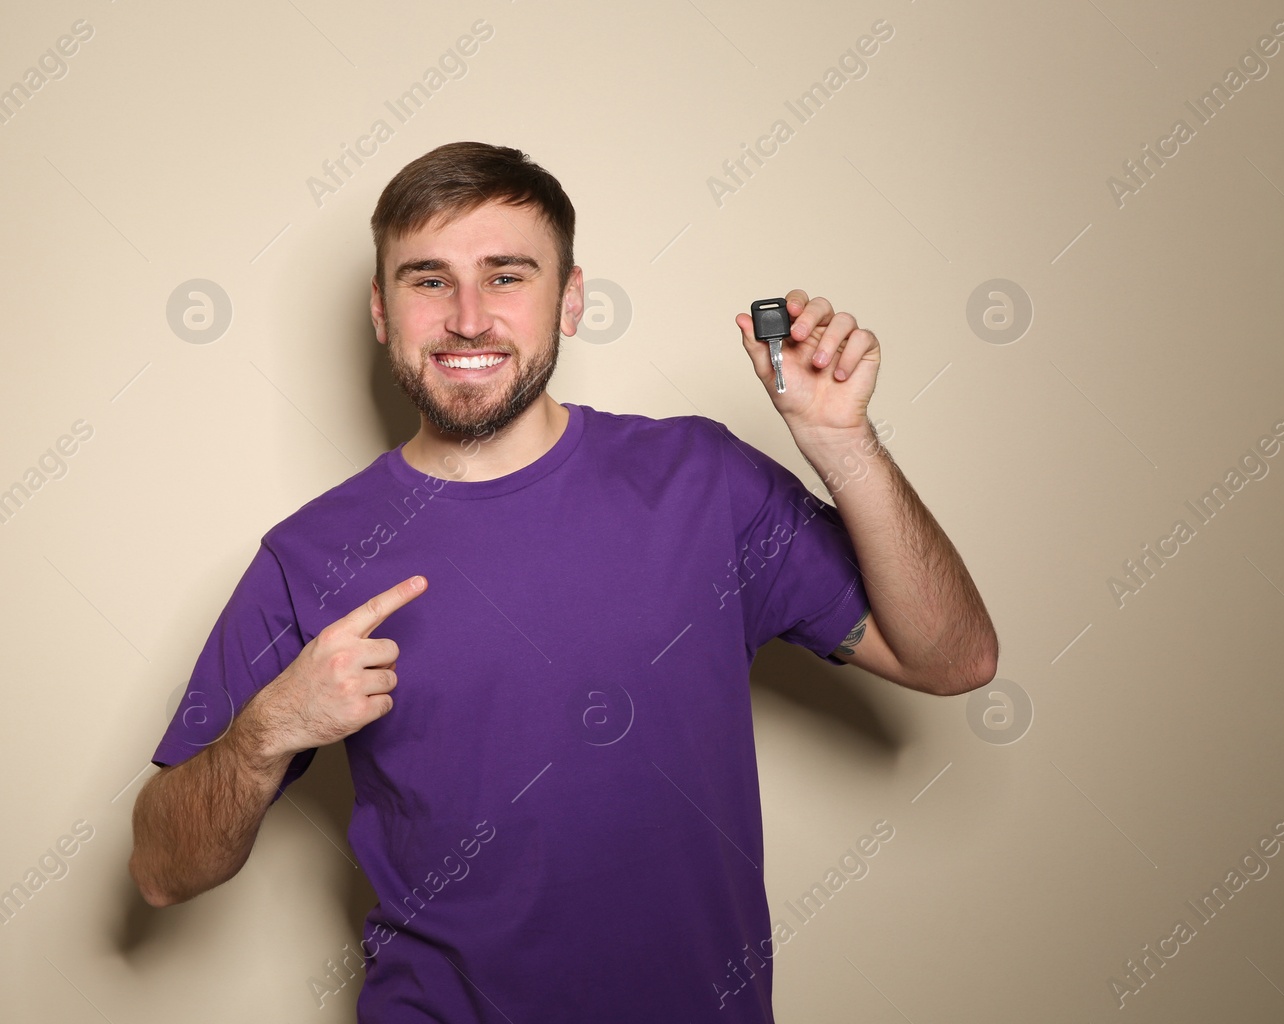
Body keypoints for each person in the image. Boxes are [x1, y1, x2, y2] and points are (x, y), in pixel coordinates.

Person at [128, 141, 998, 1022]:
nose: (469, 318)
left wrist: (843, 443)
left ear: (570, 299)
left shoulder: (703, 479)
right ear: (382, 312)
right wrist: (270, 730)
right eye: (428, 280)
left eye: (507, 276)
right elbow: (162, 872)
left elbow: (953, 659)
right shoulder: (312, 553)